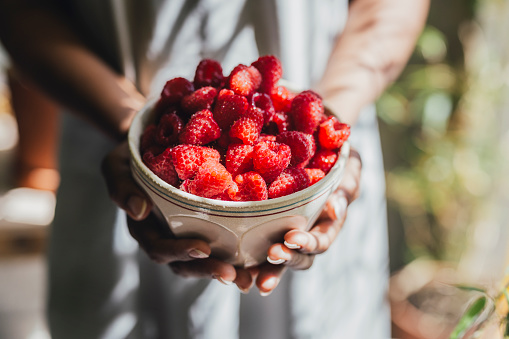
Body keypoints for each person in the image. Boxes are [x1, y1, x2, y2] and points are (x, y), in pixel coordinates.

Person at [0, 0, 429, 338]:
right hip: (108, 122)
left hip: (327, 107)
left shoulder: (286, 132)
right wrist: (128, 123)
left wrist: (334, 107)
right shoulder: (183, 135)